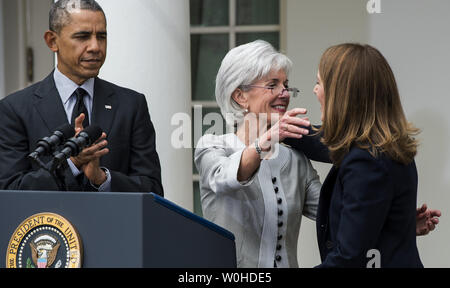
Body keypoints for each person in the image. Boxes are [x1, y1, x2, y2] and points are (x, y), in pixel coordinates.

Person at [0, 0, 163, 195]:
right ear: (52, 41)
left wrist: (102, 179)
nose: (95, 46)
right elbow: (10, 190)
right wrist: (72, 163)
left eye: (101, 36)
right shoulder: (15, 109)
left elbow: (152, 189)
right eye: (82, 36)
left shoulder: (131, 105)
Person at [194, 40, 320, 268]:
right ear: (240, 96)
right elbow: (226, 179)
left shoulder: (296, 160)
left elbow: (331, 211)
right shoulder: (213, 146)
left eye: (286, 85)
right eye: (272, 85)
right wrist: (266, 140)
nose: (284, 93)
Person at [307, 43, 428, 267]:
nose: (315, 91)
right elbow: (324, 143)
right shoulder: (383, 145)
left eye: (318, 83)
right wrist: (277, 128)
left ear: (341, 94)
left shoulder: (366, 160)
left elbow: (348, 259)